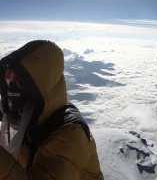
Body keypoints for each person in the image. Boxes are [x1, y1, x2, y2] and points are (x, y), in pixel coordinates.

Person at [0, 40, 103, 180]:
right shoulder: (31, 115)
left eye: (18, 80)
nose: (10, 85)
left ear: (38, 86)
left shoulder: (70, 137)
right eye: (7, 78)